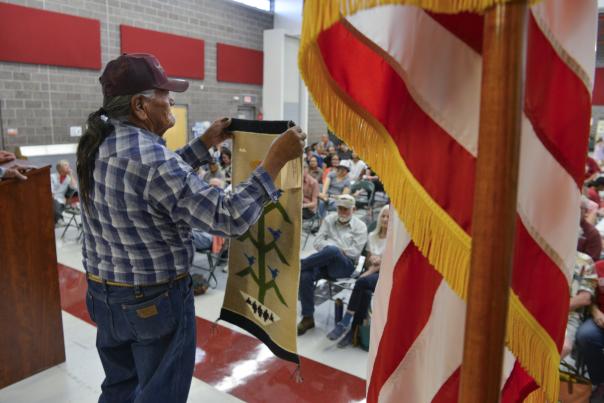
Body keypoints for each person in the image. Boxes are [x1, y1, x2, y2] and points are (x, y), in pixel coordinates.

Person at [76, 53, 305, 403]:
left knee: (120, 388)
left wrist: (203, 144)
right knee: (160, 394)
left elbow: (150, 187)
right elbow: (228, 217)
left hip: (104, 296)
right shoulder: (153, 159)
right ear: (140, 105)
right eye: (165, 94)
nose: (171, 101)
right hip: (153, 302)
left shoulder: (97, 143)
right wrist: (274, 161)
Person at [297, 194, 367, 335]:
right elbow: (317, 242)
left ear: (354, 209)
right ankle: (308, 317)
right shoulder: (329, 220)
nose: (343, 212)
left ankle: (300, 265)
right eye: (340, 208)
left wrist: (333, 248)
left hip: (344, 267)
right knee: (305, 275)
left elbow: (354, 253)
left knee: (333, 250)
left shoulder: (360, 227)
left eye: (346, 209)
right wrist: (333, 249)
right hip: (324, 262)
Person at [326, 205, 389, 347]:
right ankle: (353, 333)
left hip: (384, 276)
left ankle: (345, 321)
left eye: (388, 217)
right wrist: (371, 260)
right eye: (383, 216)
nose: (385, 219)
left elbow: (388, 265)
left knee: (361, 283)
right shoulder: (372, 236)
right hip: (369, 275)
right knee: (365, 292)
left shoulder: (392, 241)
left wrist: (371, 270)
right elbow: (366, 260)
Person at [576, 259, 604, 401]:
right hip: (600, 319)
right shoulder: (598, 267)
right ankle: (599, 381)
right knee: (585, 335)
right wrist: (595, 312)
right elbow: (589, 297)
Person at [51, 160, 78, 224]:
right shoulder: (52, 176)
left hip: (63, 200)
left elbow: (74, 187)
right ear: (59, 168)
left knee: (76, 193)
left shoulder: (68, 178)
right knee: (54, 200)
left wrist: (71, 175)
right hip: (52, 198)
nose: (68, 166)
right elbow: (50, 190)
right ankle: (59, 219)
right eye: (65, 165)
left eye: (68, 165)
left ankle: (59, 219)